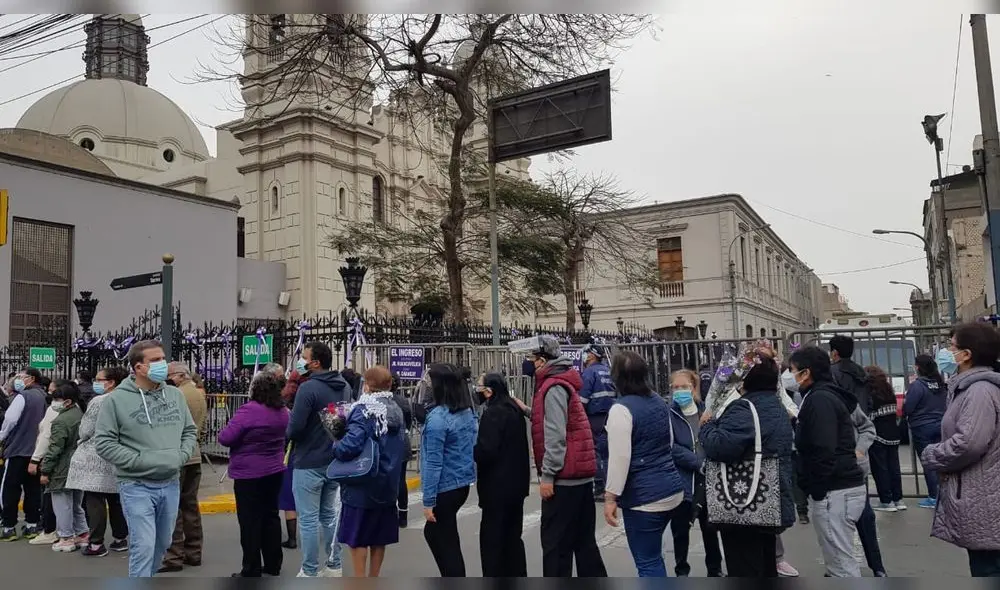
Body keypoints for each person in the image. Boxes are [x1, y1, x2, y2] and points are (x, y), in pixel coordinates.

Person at [94, 340, 198, 578]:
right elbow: (105, 443)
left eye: (163, 358)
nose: (163, 364)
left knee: (163, 544)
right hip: (136, 485)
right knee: (144, 546)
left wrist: (180, 456)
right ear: (138, 367)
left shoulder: (175, 395)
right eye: (155, 360)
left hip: (170, 482)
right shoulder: (115, 400)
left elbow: (189, 431)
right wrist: (140, 461)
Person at [699, 352, 795, 578]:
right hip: (769, 500)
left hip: (744, 506)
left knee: (744, 566)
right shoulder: (777, 406)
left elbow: (720, 447)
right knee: (765, 562)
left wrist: (707, 425)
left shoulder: (744, 408)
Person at [521, 335, 607, 577]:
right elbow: (560, 422)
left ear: (543, 360)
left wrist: (548, 475)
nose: (531, 364)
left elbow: (556, 435)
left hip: (564, 480)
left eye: (533, 360)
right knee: (584, 544)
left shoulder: (553, 387)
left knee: (556, 546)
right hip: (578, 478)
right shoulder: (562, 383)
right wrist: (528, 411)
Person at [921, 322, 1000, 577]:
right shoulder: (968, 387)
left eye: (951, 346)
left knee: (988, 569)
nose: (947, 352)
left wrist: (932, 454)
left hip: (985, 498)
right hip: (983, 496)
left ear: (967, 354)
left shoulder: (979, 391)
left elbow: (968, 443)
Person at [602, 352, 685, 577]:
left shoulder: (621, 409)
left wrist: (610, 498)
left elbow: (620, 458)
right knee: (655, 556)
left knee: (647, 562)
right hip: (671, 488)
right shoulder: (658, 400)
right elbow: (668, 441)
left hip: (644, 498)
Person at [788, 346, 866, 577]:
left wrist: (818, 490)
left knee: (841, 563)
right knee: (836, 559)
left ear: (806, 373)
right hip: (838, 488)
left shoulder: (820, 398)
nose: (789, 375)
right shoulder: (821, 395)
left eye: (792, 370)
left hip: (835, 490)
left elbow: (823, 447)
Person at [333, 366, 407, 578]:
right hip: (388, 482)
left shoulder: (364, 409)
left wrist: (336, 445)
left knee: (357, 538)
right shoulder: (396, 409)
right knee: (378, 537)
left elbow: (351, 445)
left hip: (363, 483)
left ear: (367, 385)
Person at [286, 341, 351, 577]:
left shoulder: (309, 388)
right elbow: (340, 422)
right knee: (328, 515)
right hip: (333, 459)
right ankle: (334, 564)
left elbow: (295, 427)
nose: (300, 362)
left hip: (308, 461)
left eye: (304, 357)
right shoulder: (343, 385)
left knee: (309, 519)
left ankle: (310, 569)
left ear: (315, 362)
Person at [219, 370, 289, 577]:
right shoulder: (283, 411)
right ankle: (273, 564)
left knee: (250, 521)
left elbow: (226, 437)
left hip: (249, 473)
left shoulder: (249, 410)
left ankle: (251, 568)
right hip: (274, 469)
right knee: (271, 516)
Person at [66, 366, 131, 556]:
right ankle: (120, 538)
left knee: (94, 500)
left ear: (111, 382)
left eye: (99, 379)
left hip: (97, 455)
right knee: (115, 498)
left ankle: (96, 543)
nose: (96, 382)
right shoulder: (128, 399)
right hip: (119, 453)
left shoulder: (100, 401)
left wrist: (81, 440)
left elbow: (86, 429)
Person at [420, 363, 477, 577]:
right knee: (444, 536)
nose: (425, 386)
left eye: (429, 382)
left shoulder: (437, 418)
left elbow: (434, 463)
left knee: (442, 538)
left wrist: (428, 501)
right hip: (460, 483)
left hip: (444, 487)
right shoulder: (464, 411)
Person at [666, 369, 723, 577]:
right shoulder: (669, 414)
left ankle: (714, 570)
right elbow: (671, 447)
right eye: (676, 387)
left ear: (694, 387)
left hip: (707, 482)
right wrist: (697, 462)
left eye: (685, 387)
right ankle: (682, 571)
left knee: (710, 530)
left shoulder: (706, 412)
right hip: (682, 483)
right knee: (680, 532)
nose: (680, 391)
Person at [474, 372, 529, 578]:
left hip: (497, 489)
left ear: (489, 391)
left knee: (493, 540)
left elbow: (487, 451)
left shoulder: (493, 413)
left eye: (480, 387)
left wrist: (474, 451)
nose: (477, 391)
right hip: (517, 486)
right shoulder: (514, 409)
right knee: (513, 538)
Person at [159, 363, 208, 573]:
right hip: (194, 453)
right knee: (190, 505)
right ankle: (194, 551)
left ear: (178, 375)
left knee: (173, 507)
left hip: (177, 454)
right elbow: (201, 425)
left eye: (169, 376)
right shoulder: (198, 393)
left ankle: (174, 555)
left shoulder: (176, 395)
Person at [40, 380, 87, 553]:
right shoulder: (78, 414)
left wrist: (45, 470)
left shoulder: (61, 421)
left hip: (63, 466)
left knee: (62, 503)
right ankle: (82, 534)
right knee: (76, 503)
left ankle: (66, 537)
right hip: (79, 463)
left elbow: (55, 448)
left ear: (66, 401)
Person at [0, 367, 47, 541]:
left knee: (10, 489)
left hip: (17, 450)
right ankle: (32, 525)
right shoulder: (43, 396)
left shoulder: (23, 396)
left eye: (22, 376)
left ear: (31, 378)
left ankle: (8, 526)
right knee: (33, 489)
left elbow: (10, 420)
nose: (19, 379)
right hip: (35, 452)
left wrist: (2, 436)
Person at [846, 382, 887, 577]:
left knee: (865, 519)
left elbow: (867, 428)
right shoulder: (814, 402)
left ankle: (877, 567)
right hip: (829, 475)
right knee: (835, 527)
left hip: (855, 472)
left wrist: (860, 450)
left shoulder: (848, 402)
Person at [903, 354, 947, 509]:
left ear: (918, 367)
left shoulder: (918, 385)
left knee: (928, 462)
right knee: (941, 460)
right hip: (941, 425)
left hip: (922, 427)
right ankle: (944, 494)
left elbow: (909, 407)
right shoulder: (940, 383)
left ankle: (933, 497)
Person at [26, 378, 62, 546]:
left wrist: (35, 459)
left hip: (50, 458)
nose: (48, 391)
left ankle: (49, 530)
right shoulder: (73, 409)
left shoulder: (53, 410)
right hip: (62, 459)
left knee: (48, 494)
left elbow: (46, 437)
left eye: (51, 390)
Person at [579, 344, 616, 502]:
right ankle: (611, 486)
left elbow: (583, 398)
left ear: (592, 356)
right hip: (611, 414)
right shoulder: (608, 370)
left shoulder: (589, 372)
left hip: (595, 416)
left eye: (587, 354)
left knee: (597, 453)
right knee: (608, 453)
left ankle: (600, 487)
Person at [865, 365, 905, 512]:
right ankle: (898, 499)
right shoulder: (889, 390)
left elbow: (869, 415)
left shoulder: (871, 393)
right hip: (893, 434)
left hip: (878, 435)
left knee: (880, 469)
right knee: (894, 467)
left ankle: (886, 500)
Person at [279, 367, 306, 549]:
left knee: (288, 497)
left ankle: (292, 538)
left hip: (291, 454)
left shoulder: (287, 408)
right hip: (312, 453)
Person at [390, 374, 413, 528]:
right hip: (402, 442)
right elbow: (409, 421)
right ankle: (403, 515)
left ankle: (390, 513)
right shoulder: (403, 400)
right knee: (401, 479)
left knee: (389, 480)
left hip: (388, 445)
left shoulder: (379, 402)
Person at [829, 335, 872, 413]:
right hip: (862, 417)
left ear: (835, 352)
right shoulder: (861, 371)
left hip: (845, 419)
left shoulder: (831, 371)